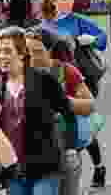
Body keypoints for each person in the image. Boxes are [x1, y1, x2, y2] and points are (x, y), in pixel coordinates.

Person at [0, 26, 94, 195]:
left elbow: (68, 112)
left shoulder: (44, 80)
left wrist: (71, 148)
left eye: (7, 51)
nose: (1, 56)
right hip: (13, 170)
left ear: (21, 53)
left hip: (45, 166)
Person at [37, 0, 108, 187]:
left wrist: (91, 40)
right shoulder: (42, 25)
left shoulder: (78, 21)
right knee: (59, 129)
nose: (70, 2)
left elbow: (102, 39)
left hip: (80, 79)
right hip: (52, 81)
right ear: (52, 0)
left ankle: (98, 166)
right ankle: (65, 177)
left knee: (82, 127)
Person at [25, 32, 94, 195]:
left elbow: (89, 105)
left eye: (36, 51)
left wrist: (61, 101)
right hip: (30, 154)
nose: (31, 57)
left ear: (48, 51)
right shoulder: (20, 74)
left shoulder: (65, 71)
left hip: (65, 149)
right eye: (26, 52)